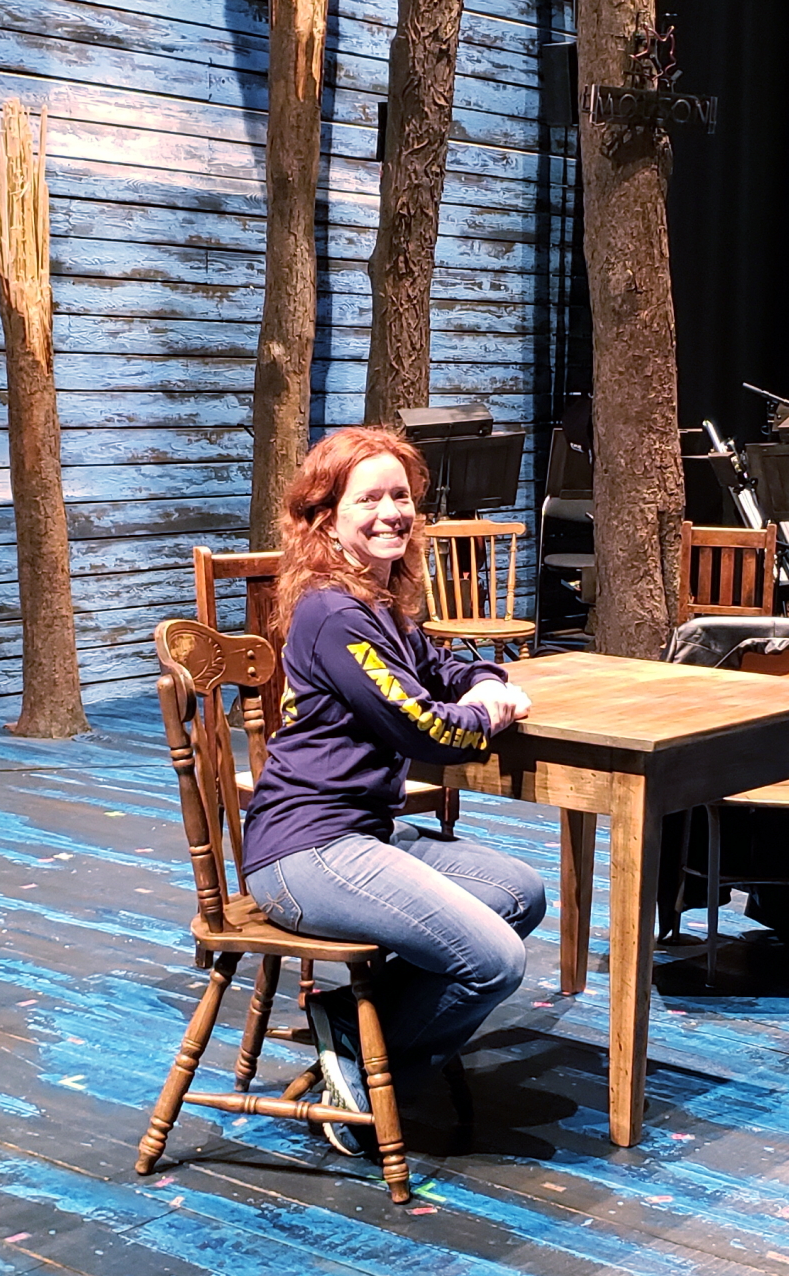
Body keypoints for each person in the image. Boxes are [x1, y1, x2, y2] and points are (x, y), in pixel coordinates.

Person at [241, 426, 546, 1155]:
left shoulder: (376, 603)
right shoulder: (333, 612)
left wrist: (486, 680)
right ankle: (374, 1079)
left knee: (521, 893)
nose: (391, 513)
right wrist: (486, 715)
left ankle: (354, 1023)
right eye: (368, 498)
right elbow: (424, 728)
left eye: (401, 496)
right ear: (326, 517)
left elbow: (442, 667)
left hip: (363, 835)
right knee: (495, 961)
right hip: (305, 850)